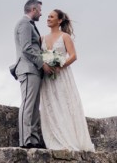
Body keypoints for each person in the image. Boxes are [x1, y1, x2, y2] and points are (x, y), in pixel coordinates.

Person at [39, 9, 95, 151]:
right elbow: (40, 55)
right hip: (47, 77)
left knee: (65, 103)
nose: (48, 18)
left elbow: (73, 56)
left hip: (62, 75)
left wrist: (59, 64)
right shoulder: (42, 38)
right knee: (51, 105)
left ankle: (68, 139)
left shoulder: (65, 37)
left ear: (59, 21)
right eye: (47, 16)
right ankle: (54, 138)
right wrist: (46, 63)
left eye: (51, 17)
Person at [10, 0, 54, 149]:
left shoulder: (30, 25)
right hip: (28, 69)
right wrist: (42, 63)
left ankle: (34, 139)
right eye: (40, 10)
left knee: (35, 105)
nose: (41, 14)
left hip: (34, 70)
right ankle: (25, 140)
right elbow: (26, 48)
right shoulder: (24, 24)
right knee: (28, 104)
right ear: (34, 9)